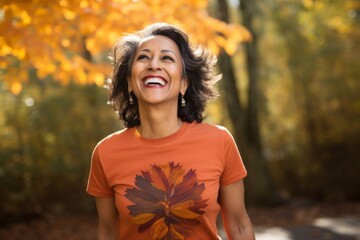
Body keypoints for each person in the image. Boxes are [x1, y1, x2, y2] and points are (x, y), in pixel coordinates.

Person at [87, 22, 255, 240]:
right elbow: (108, 232)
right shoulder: (106, 152)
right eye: (143, 57)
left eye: (167, 58)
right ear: (129, 82)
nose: (154, 64)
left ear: (184, 83)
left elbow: (239, 225)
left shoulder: (219, 141)